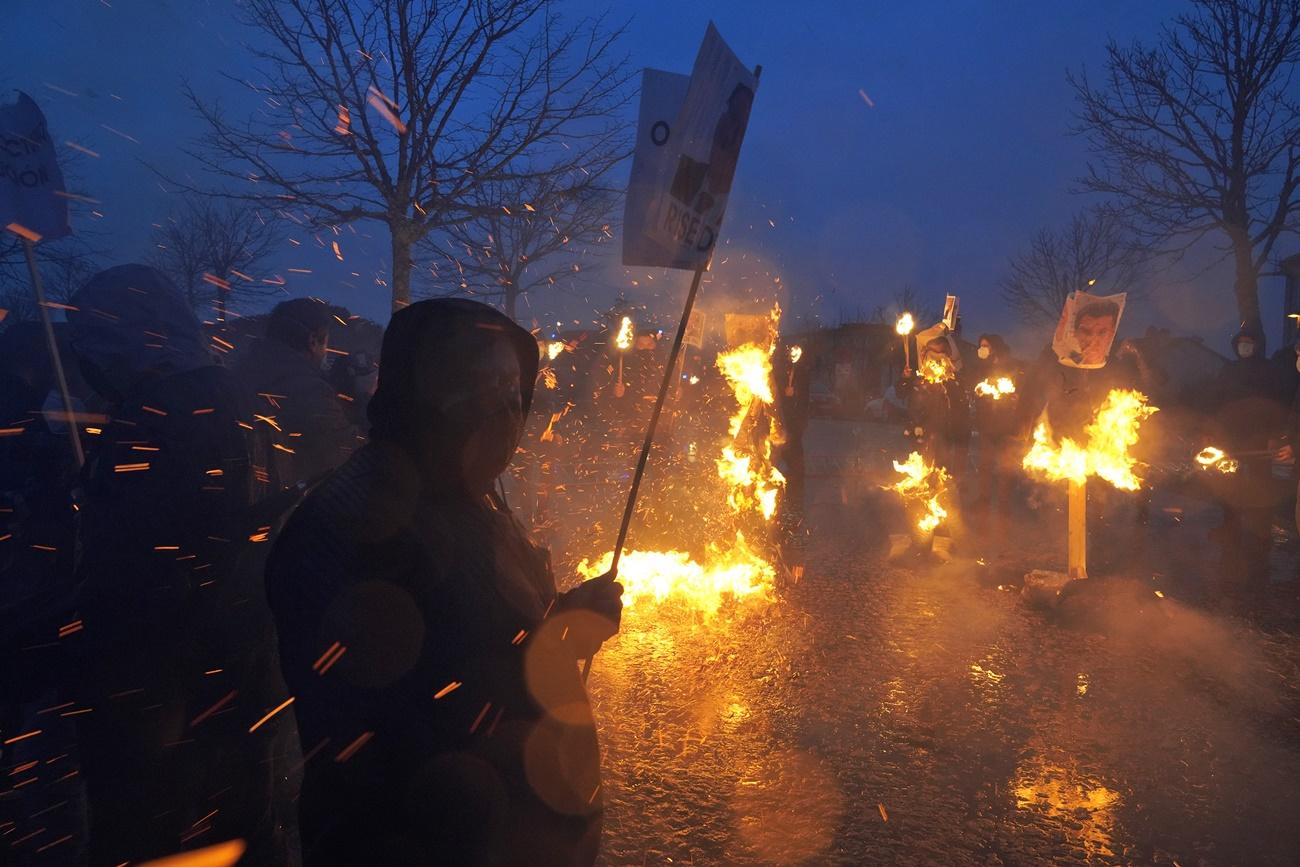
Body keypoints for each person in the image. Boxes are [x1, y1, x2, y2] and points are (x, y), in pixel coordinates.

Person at [266, 298, 624, 866]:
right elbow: (395, 724)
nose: (507, 412)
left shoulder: (467, 493)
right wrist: (547, 648)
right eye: (482, 390)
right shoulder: (362, 525)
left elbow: (499, 625)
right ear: (424, 393)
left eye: (515, 392)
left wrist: (565, 621)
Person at [65, 264, 299, 865]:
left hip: (163, 696)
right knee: (239, 823)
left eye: (93, 339)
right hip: (237, 672)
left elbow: (132, 574)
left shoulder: (155, 420)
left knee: (161, 835)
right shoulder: (232, 401)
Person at [236, 298, 359, 491]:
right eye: (326, 341)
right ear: (313, 341)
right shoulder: (310, 393)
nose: (326, 351)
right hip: (289, 514)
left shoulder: (241, 373)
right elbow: (349, 459)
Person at [1206, 328, 1288, 591]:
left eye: (1249, 343)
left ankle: (1261, 532)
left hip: (1260, 438)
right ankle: (1230, 524)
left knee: (1261, 484)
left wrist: (1275, 435)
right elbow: (1217, 401)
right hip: (1232, 438)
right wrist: (1214, 433)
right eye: (1240, 343)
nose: (1244, 346)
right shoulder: (1229, 370)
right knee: (1230, 482)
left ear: (1257, 345)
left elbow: (1279, 403)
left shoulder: (1268, 371)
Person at [896, 326, 971, 478]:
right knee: (921, 471)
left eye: (940, 352)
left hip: (946, 434)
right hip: (921, 431)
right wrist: (905, 379)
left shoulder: (953, 381)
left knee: (941, 472)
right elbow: (900, 393)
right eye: (932, 352)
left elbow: (961, 408)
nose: (936, 359)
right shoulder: (918, 378)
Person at [970, 334, 1023, 546]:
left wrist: (1013, 400)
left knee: (1004, 472)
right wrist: (979, 395)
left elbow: (1018, 393)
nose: (982, 349)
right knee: (984, 469)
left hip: (1006, 428)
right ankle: (982, 515)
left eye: (986, 346)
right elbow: (975, 389)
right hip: (987, 427)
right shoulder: (981, 367)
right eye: (980, 346)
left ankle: (1003, 518)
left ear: (996, 348)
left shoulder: (1011, 366)